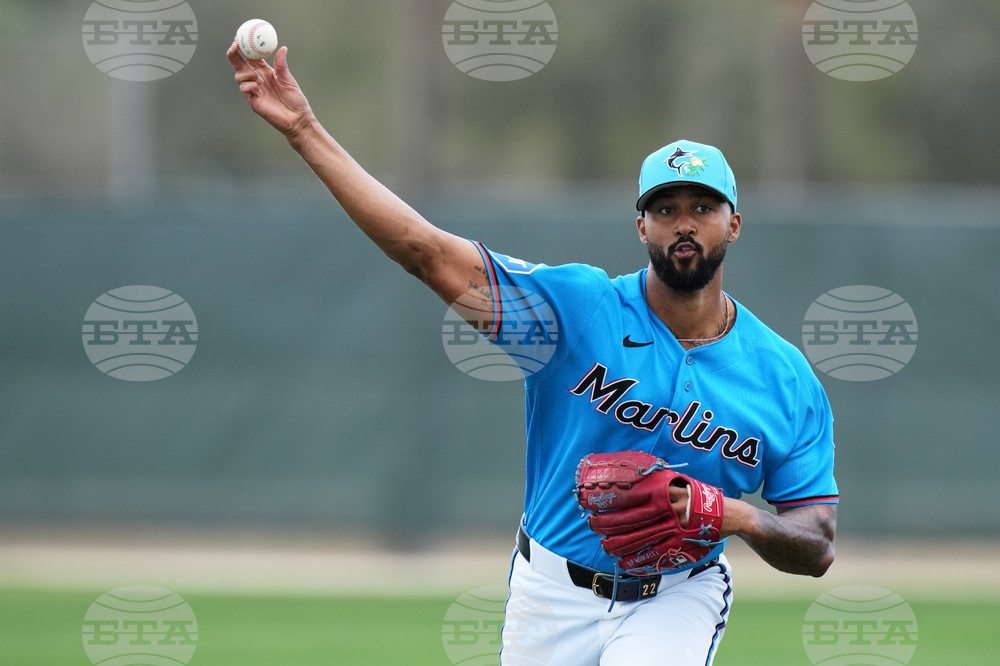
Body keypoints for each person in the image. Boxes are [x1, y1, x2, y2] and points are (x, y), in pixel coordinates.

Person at [227, 42, 838, 666]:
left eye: (703, 208)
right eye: (665, 208)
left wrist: (734, 515)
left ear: (734, 223)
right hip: (551, 591)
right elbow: (426, 252)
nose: (684, 223)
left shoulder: (784, 377)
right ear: (641, 227)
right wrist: (304, 130)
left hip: (677, 598)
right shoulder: (575, 310)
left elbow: (816, 545)